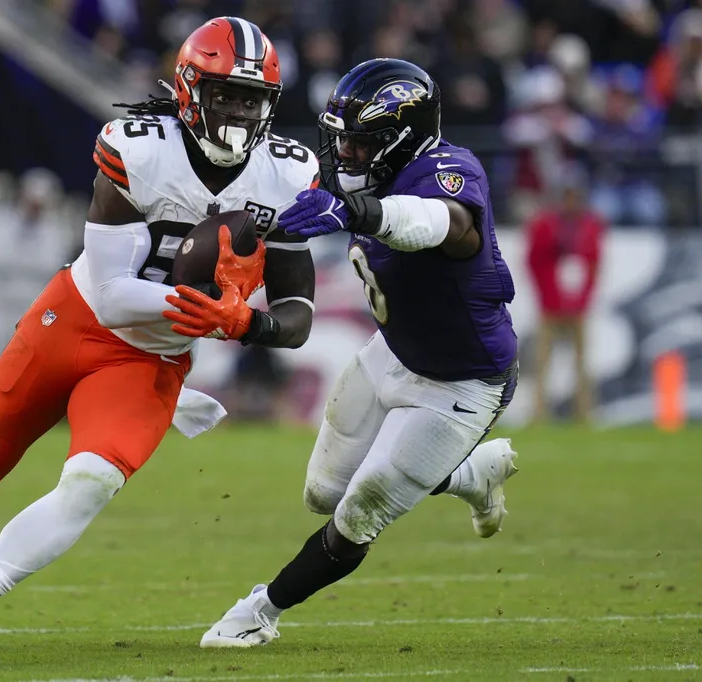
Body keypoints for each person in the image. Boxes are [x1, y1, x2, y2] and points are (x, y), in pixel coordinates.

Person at [0, 16, 319, 667]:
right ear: (190, 91)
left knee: (90, 483)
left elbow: (297, 311)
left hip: (151, 358)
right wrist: (212, 309)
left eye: (251, 97)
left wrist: (253, 325)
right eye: (225, 94)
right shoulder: (139, 147)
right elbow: (111, 290)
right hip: (74, 321)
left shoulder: (287, 174)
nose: (239, 111)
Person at [198, 58, 520, 648]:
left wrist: (358, 211)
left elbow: (444, 225)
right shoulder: (352, 175)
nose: (345, 153)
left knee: (359, 511)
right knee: (322, 491)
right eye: (340, 138)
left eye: (361, 141)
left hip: (462, 383)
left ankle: (258, 612)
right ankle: (471, 474)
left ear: (404, 138)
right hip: (392, 354)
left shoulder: (447, 170)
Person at [526, 164, 604, 423]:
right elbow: (533, 262)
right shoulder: (544, 225)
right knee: (542, 363)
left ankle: (584, 413)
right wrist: (546, 296)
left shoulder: (591, 225)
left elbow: (594, 264)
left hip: (578, 306)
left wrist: (584, 299)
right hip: (550, 305)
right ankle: (539, 414)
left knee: (582, 364)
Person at [0, 168, 75, 359]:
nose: (34, 208)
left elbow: (52, 266)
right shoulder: (2, 222)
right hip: (2, 306)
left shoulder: (58, 230)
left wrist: (19, 263)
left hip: (36, 306)